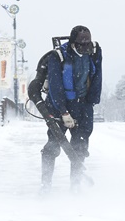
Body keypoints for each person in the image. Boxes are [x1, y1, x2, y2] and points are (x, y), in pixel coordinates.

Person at [35, 25, 102, 191]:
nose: (85, 47)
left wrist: (90, 104)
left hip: (83, 105)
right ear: (73, 43)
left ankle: (75, 186)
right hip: (59, 106)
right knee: (53, 146)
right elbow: (56, 86)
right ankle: (46, 186)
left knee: (80, 147)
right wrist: (63, 111)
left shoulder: (93, 54)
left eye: (88, 43)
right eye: (81, 43)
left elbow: (96, 78)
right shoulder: (58, 57)